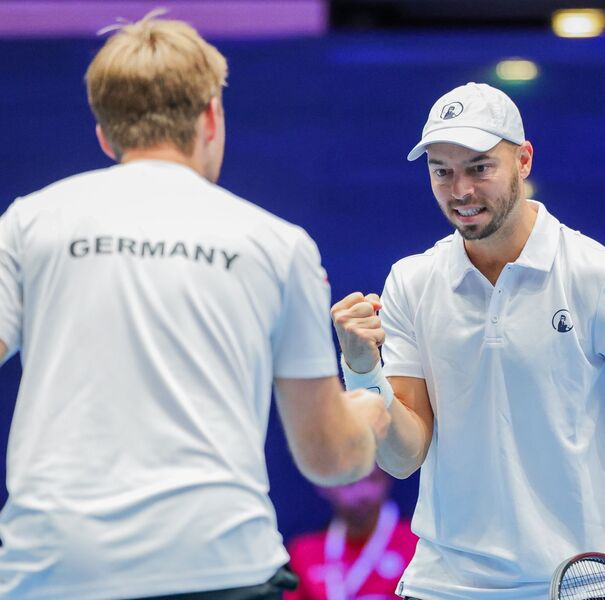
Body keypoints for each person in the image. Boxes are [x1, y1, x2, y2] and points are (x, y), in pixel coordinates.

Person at [0, 12, 389, 600]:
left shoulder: (30, 222)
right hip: (219, 568)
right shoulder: (276, 244)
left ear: (106, 135)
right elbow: (330, 459)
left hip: (53, 570)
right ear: (212, 115)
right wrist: (373, 408)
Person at [331, 82, 605, 599]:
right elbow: (402, 457)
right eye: (441, 171)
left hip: (586, 590)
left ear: (523, 160)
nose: (460, 191)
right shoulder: (411, 281)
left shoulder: (600, 277)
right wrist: (363, 370)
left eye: (479, 167)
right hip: (442, 588)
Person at [285, 466, 416, 600]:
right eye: (350, 483)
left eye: (373, 479)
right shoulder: (303, 553)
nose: (363, 493)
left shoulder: (417, 544)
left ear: (387, 479)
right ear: (324, 485)